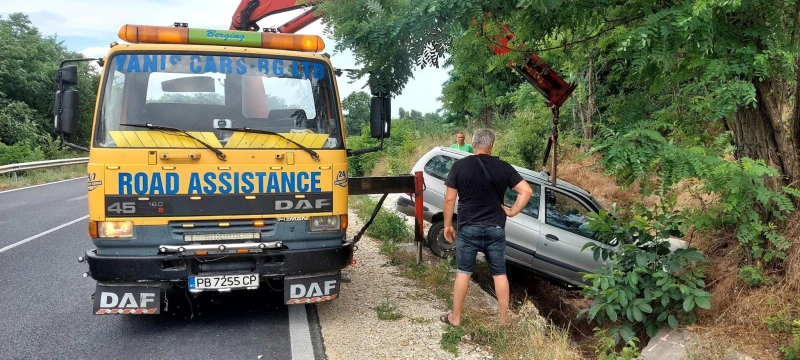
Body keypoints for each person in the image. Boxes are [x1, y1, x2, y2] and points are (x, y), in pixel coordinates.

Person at [439, 128, 533, 326]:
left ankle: (455, 318)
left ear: (473, 144)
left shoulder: (459, 166)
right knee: (499, 274)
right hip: (495, 228)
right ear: (492, 145)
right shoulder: (504, 167)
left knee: (463, 272)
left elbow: (449, 199)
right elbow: (526, 191)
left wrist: (448, 225)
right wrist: (512, 211)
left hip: (468, 228)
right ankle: (504, 320)